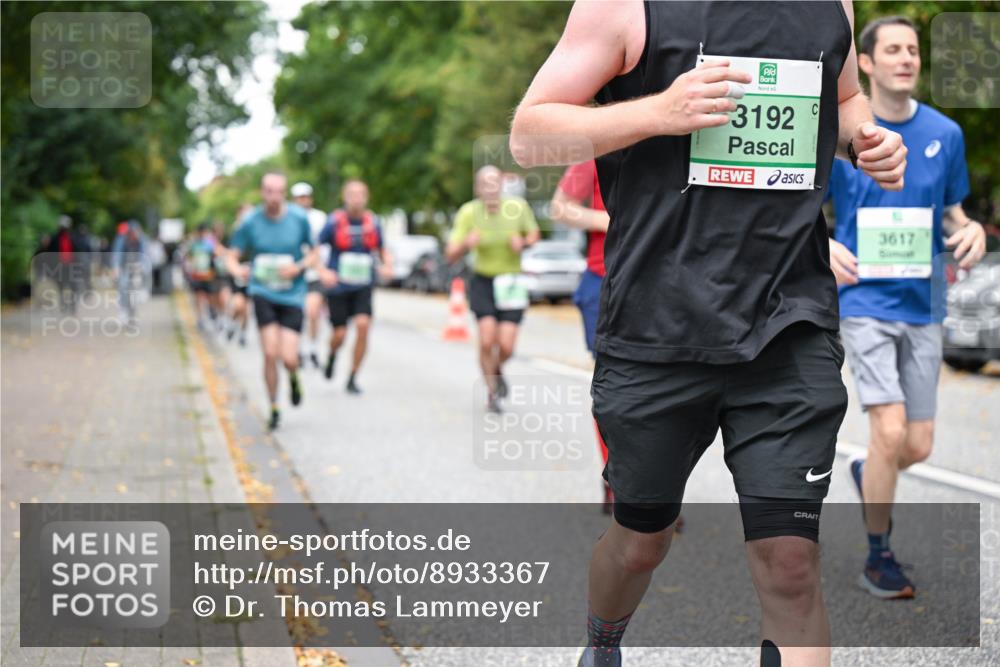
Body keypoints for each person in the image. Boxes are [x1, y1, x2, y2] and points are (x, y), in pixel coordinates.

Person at [510, 1, 907, 666]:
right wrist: (656, 113)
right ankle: (602, 641)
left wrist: (864, 138)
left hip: (790, 320)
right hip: (656, 330)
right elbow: (529, 136)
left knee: (790, 560)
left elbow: (841, 93)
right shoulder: (626, 6)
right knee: (641, 541)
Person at [825, 16, 987, 600]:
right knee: (888, 430)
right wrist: (823, 242)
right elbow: (799, 210)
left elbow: (953, 213)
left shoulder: (944, 132)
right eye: (892, 49)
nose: (906, 58)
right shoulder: (845, 133)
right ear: (864, 62)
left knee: (914, 446)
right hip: (865, 300)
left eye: (913, 49)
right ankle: (878, 556)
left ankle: (872, 477)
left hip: (924, 304)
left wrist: (971, 233)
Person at [226, 172, 318, 431]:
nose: (274, 197)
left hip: (292, 294)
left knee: (288, 357)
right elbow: (232, 256)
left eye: (279, 192)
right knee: (269, 352)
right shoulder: (250, 221)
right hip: (263, 292)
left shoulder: (299, 219)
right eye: (269, 191)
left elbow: (314, 254)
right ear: (261, 192)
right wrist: (236, 270)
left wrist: (298, 267)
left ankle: (293, 376)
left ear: (285, 193)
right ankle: (274, 406)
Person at [445, 165, 540, 413]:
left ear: (500, 185)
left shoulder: (517, 208)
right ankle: (493, 392)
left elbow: (534, 235)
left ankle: (496, 370)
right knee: (487, 340)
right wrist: (466, 243)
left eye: (494, 182)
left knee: (506, 346)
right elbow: (450, 254)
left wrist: (524, 242)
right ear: (477, 188)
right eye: (484, 183)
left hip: (511, 282)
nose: (490, 187)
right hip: (483, 281)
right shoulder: (468, 212)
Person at [551, 160, 614, 510]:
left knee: (671, 394)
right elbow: (560, 206)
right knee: (614, 388)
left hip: (667, 281)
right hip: (604, 280)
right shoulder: (599, 147)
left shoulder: (681, 139)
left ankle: (658, 491)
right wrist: (609, 220)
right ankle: (617, 479)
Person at [318, 178, 392, 394]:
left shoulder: (374, 223)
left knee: (362, 326)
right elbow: (314, 248)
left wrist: (387, 265)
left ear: (366, 198)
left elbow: (382, 250)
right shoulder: (334, 222)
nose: (356, 199)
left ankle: (352, 376)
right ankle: (332, 355)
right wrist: (323, 272)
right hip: (338, 287)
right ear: (345, 197)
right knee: (340, 334)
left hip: (363, 285)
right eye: (352, 194)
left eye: (360, 194)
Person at [291, 181, 330, 369]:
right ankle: (297, 350)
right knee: (297, 314)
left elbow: (323, 246)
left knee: (313, 311)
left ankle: (312, 348)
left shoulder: (319, 218)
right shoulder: (288, 218)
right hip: (294, 273)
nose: (302, 200)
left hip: (315, 272)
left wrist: (323, 268)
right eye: (299, 197)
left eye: (305, 197)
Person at [224, 204, 254, 346]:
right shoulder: (237, 231)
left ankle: (243, 333)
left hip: (253, 273)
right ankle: (231, 323)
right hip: (238, 273)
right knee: (239, 305)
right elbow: (230, 255)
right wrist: (236, 270)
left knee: (247, 308)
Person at [110, 221, 148, 323]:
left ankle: (139, 299)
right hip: (124, 267)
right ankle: (123, 309)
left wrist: (143, 267)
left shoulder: (142, 240)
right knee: (123, 286)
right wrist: (115, 267)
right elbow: (116, 254)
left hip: (136, 267)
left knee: (138, 284)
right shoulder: (122, 239)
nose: (135, 235)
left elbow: (145, 256)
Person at [185, 223, 219, 331]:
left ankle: (211, 310)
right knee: (199, 297)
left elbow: (215, 256)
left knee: (210, 296)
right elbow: (189, 258)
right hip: (197, 275)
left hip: (208, 275)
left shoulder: (210, 243)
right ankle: (201, 319)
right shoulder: (193, 244)